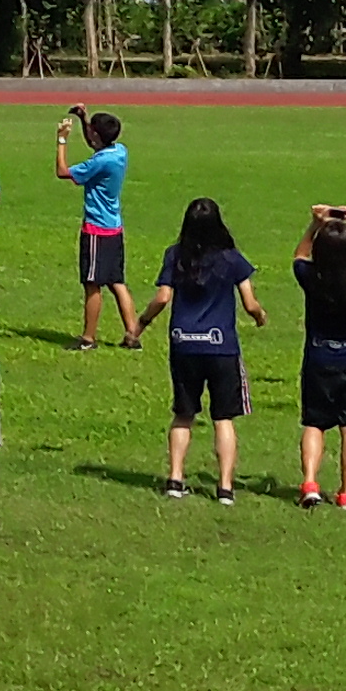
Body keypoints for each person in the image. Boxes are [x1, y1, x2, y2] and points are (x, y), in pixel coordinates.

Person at [135, 198, 263, 500]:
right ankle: (225, 488)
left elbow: (163, 298)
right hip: (221, 347)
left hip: (183, 344)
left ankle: (175, 480)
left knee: (183, 414)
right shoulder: (231, 259)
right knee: (223, 418)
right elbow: (250, 302)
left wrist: (140, 324)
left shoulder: (175, 255)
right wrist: (260, 316)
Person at [293, 204, 346, 510]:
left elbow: (299, 257)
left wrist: (314, 226)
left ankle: (311, 483)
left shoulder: (312, 277)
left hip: (319, 359)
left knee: (314, 424)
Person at [61, 108, 133, 350]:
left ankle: (88, 338)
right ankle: (132, 334)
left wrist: (61, 140)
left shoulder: (99, 161)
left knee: (92, 284)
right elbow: (96, 145)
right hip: (114, 227)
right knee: (117, 282)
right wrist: (84, 119)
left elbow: (63, 172)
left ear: (97, 135)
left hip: (96, 230)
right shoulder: (119, 152)